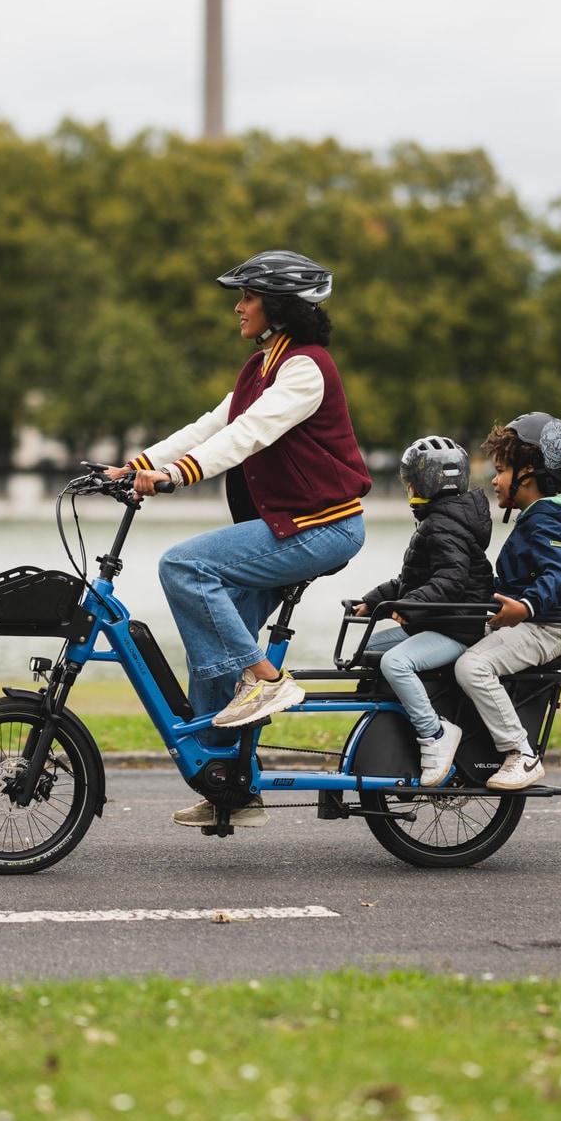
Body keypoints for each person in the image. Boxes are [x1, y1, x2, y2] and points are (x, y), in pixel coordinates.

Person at [106, 250, 371, 828]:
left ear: (277, 308)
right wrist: (140, 465)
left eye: (248, 296)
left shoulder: (306, 368)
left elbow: (249, 435)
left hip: (324, 527)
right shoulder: (259, 368)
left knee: (184, 567)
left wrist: (175, 476)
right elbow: (212, 424)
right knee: (211, 655)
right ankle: (231, 787)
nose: (238, 306)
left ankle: (268, 682)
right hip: (287, 526)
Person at [452, 412, 561, 791]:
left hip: (543, 626)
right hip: (529, 622)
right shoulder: (536, 520)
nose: (494, 480)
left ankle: (521, 754)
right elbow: (519, 580)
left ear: (528, 472)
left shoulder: (545, 522)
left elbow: (560, 576)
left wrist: (526, 607)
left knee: (473, 667)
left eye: (500, 470)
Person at [352, 435, 494, 787]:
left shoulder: (444, 525)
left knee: (394, 662)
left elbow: (451, 579)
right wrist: (374, 600)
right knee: (370, 650)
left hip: (456, 631)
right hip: (439, 622)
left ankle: (434, 734)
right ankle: (397, 723)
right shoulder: (440, 520)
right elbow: (410, 580)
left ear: (429, 481)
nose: (408, 486)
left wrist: (409, 607)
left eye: (412, 478)